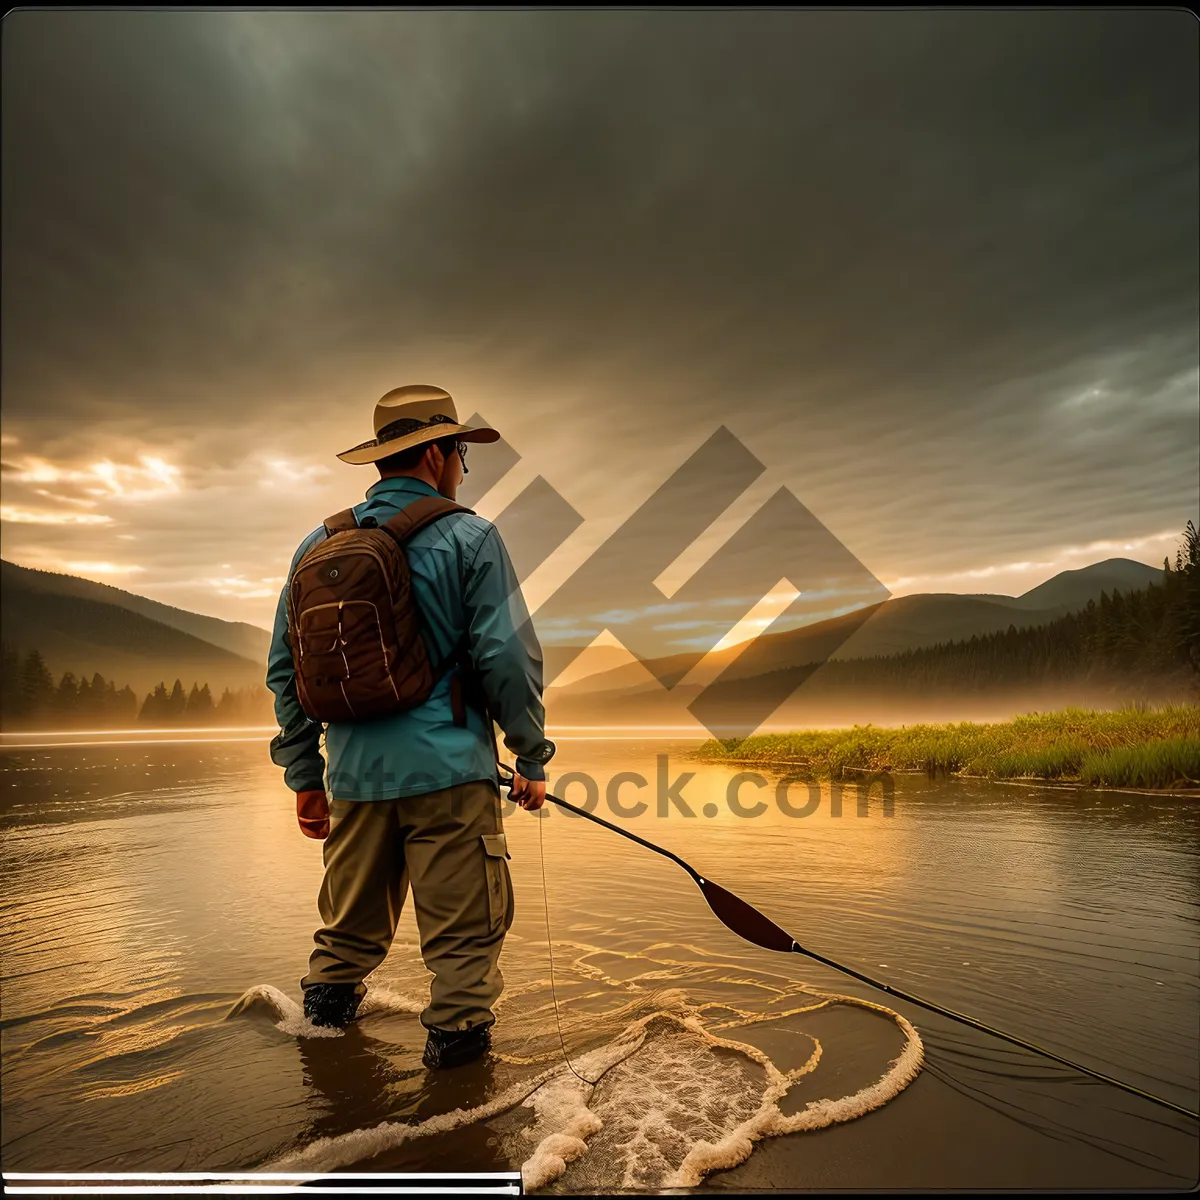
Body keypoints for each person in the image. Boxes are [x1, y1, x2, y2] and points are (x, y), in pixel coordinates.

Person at [265, 384, 555, 1069]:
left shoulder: (317, 544)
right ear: (434, 454)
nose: (462, 466)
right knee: (462, 953)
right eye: (460, 452)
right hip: (451, 779)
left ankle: (325, 1081)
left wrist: (307, 779)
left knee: (343, 943)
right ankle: (456, 1124)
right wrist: (532, 758)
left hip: (354, 780)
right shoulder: (471, 537)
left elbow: (286, 671)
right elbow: (507, 658)